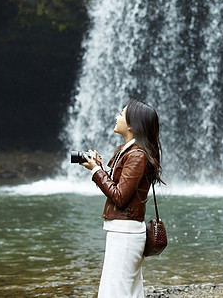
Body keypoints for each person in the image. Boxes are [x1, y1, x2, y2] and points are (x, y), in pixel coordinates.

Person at [79, 99, 163, 298]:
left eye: (121, 114)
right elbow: (122, 190)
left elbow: (119, 196)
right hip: (124, 231)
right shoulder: (132, 151)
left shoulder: (137, 155)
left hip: (126, 234)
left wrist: (97, 171)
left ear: (132, 125)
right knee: (128, 291)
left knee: (115, 291)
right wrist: (100, 170)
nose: (117, 117)